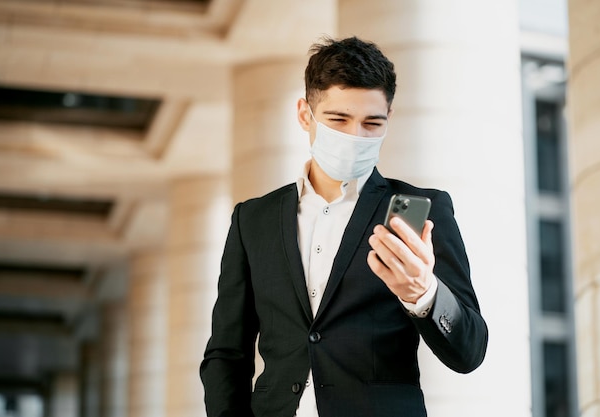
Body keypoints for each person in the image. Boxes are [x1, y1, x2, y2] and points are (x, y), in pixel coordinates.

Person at [200, 36, 488, 417]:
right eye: (338, 120)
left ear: (389, 119)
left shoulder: (424, 212)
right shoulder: (252, 220)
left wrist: (424, 294)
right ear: (305, 114)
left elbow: (470, 351)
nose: (355, 136)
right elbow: (226, 352)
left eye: (372, 123)